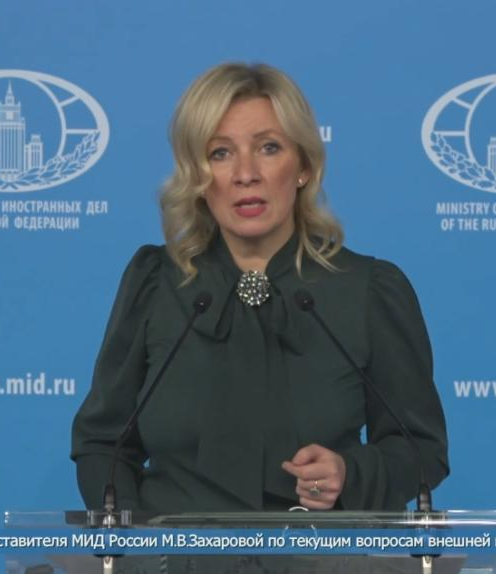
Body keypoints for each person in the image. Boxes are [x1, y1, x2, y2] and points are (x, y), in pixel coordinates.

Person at [71, 63, 448, 513]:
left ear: (303, 165)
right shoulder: (155, 283)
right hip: (174, 549)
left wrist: (351, 474)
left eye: (268, 148)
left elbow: (420, 450)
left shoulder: (368, 290)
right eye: (220, 153)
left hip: (317, 548)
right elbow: (103, 443)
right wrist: (132, 538)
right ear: (197, 175)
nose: (245, 173)